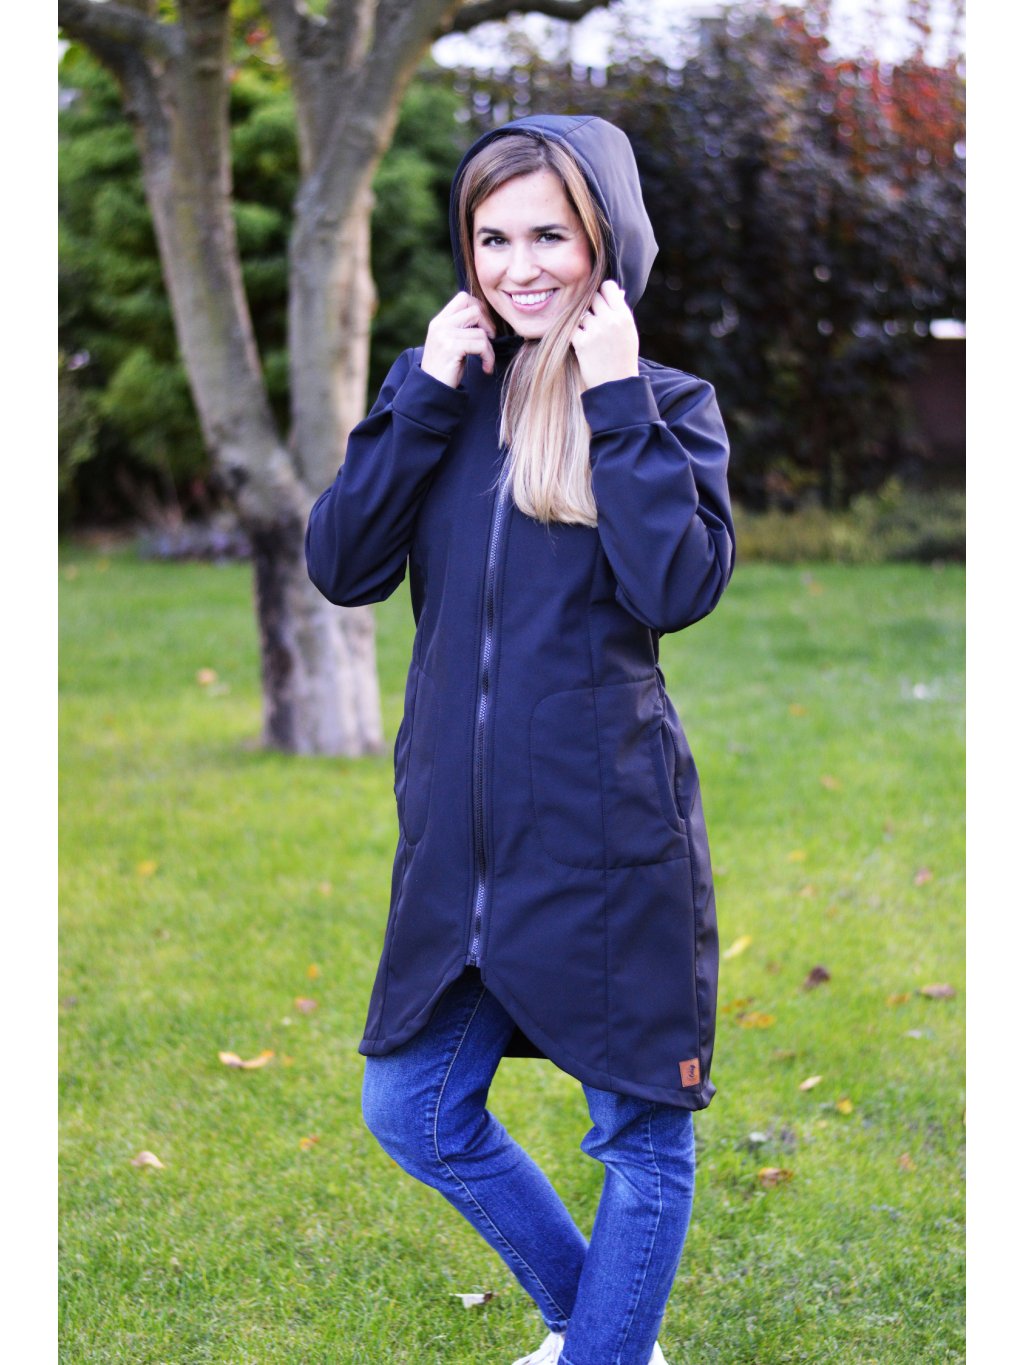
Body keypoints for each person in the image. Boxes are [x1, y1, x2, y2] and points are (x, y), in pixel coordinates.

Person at [306, 113, 734, 1365]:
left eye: (550, 235)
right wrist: (419, 401)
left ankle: (606, 1349)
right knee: (413, 1108)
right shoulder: (442, 395)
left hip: (606, 835)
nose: (520, 266)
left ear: (606, 240)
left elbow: (676, 586)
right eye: (493, 238)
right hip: (458, 843)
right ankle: (596, 1328)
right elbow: (341, 564)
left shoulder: (665, 404)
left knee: (640, 1136)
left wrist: (615, 401)